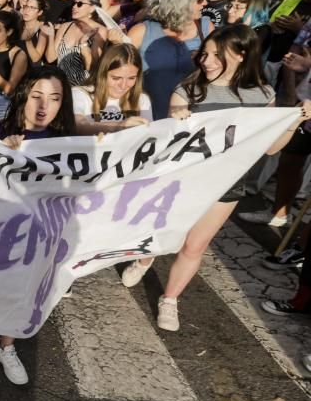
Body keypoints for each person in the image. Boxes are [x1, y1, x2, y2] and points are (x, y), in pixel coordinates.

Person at [126, 25, 310, 331]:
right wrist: (178, 118)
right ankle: (145, 259)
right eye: (205, 54)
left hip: (227, 184)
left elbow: (270, 149)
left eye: (216, 55)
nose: (206, 61)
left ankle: (170, 300)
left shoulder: (262, 95)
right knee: (162, 232)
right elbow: (170, 132)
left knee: (194, 246)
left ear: (241, 55)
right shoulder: (190, 88)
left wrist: (292, 122)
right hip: (181, 180)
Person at [0, 68, 76, 384]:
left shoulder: (65, 142)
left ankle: (5, 345)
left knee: (24, 293)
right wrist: (0, 152)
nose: (43, 107)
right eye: (37, 96)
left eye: (54, 99)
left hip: (38, 237)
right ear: (23, 95)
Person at [127, 0, 211, 120]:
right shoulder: (141, 31)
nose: (205, 3)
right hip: (149, 115)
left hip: (192, 117)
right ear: (181, 1)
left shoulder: (206, 27)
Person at [72, 43, 152, 135]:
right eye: (116, 78)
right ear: (102, 73)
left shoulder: (141, 99)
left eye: (131, 78)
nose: (123, 85)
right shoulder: (80, 94)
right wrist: (119, 126)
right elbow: (78, 125)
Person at [43, 0, 108, 88]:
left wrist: (83, 45)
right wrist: (51, 36)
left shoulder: (100, 31)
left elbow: (92, 67)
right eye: (74, 3)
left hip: (83, 88)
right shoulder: (65, 26)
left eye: (80, 4)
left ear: (92, 8)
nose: (74, 7)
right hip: (62, 86)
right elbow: (50, 58)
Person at [20, 0, 49, 69]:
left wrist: (28, 40)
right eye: (26, 6)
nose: (27, 10)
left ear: (40, 12)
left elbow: (36, 58)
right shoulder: (17, 25)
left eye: (32, 8)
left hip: (32, 73)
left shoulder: (43, 29)